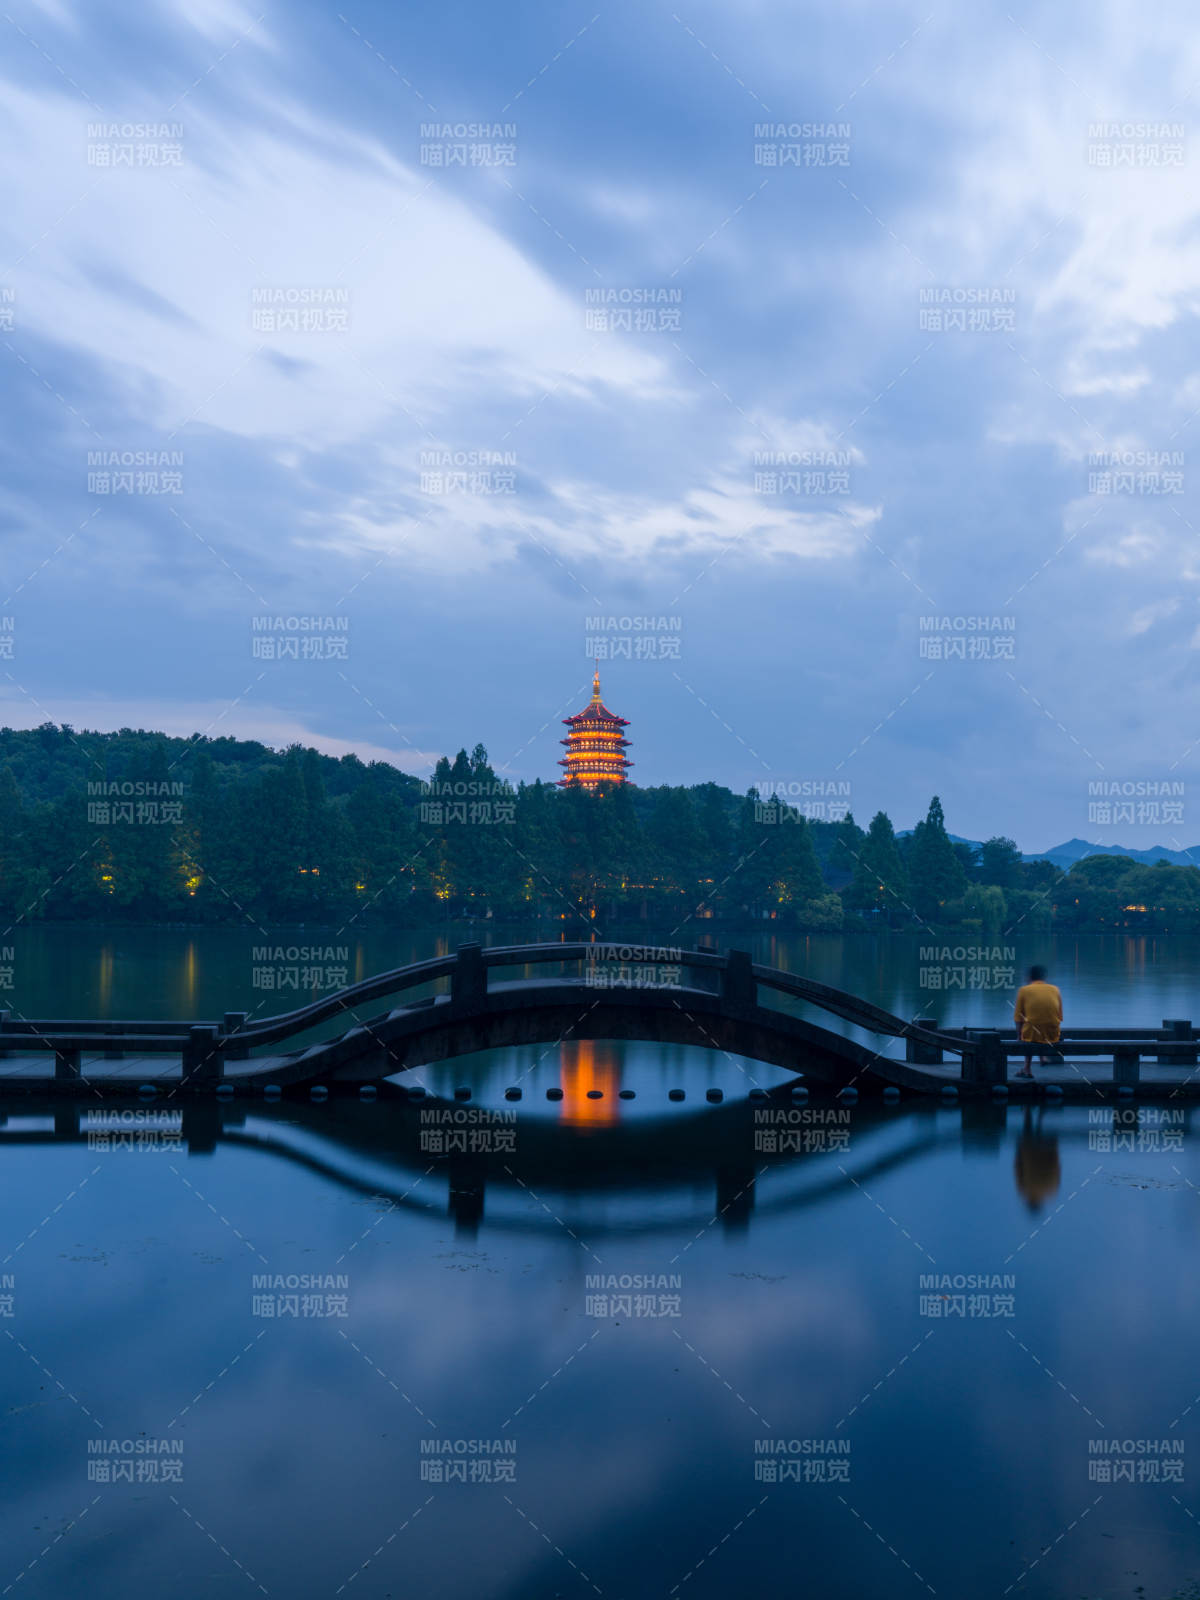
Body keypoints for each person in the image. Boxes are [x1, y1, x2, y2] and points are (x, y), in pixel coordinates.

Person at [1013, 965, 1063, 1078]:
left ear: (1029, 977)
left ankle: (1027, 1069)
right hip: (1052, 1034)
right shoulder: (1055, 989)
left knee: (1028, 1033)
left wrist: (1018, 1035)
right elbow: (1060, 1016)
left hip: (1032, 1033)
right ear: (1044, 977)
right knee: (1037, 1026)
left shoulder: (1024, 990)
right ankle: (1040, 1059)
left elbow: (1018, 1018)